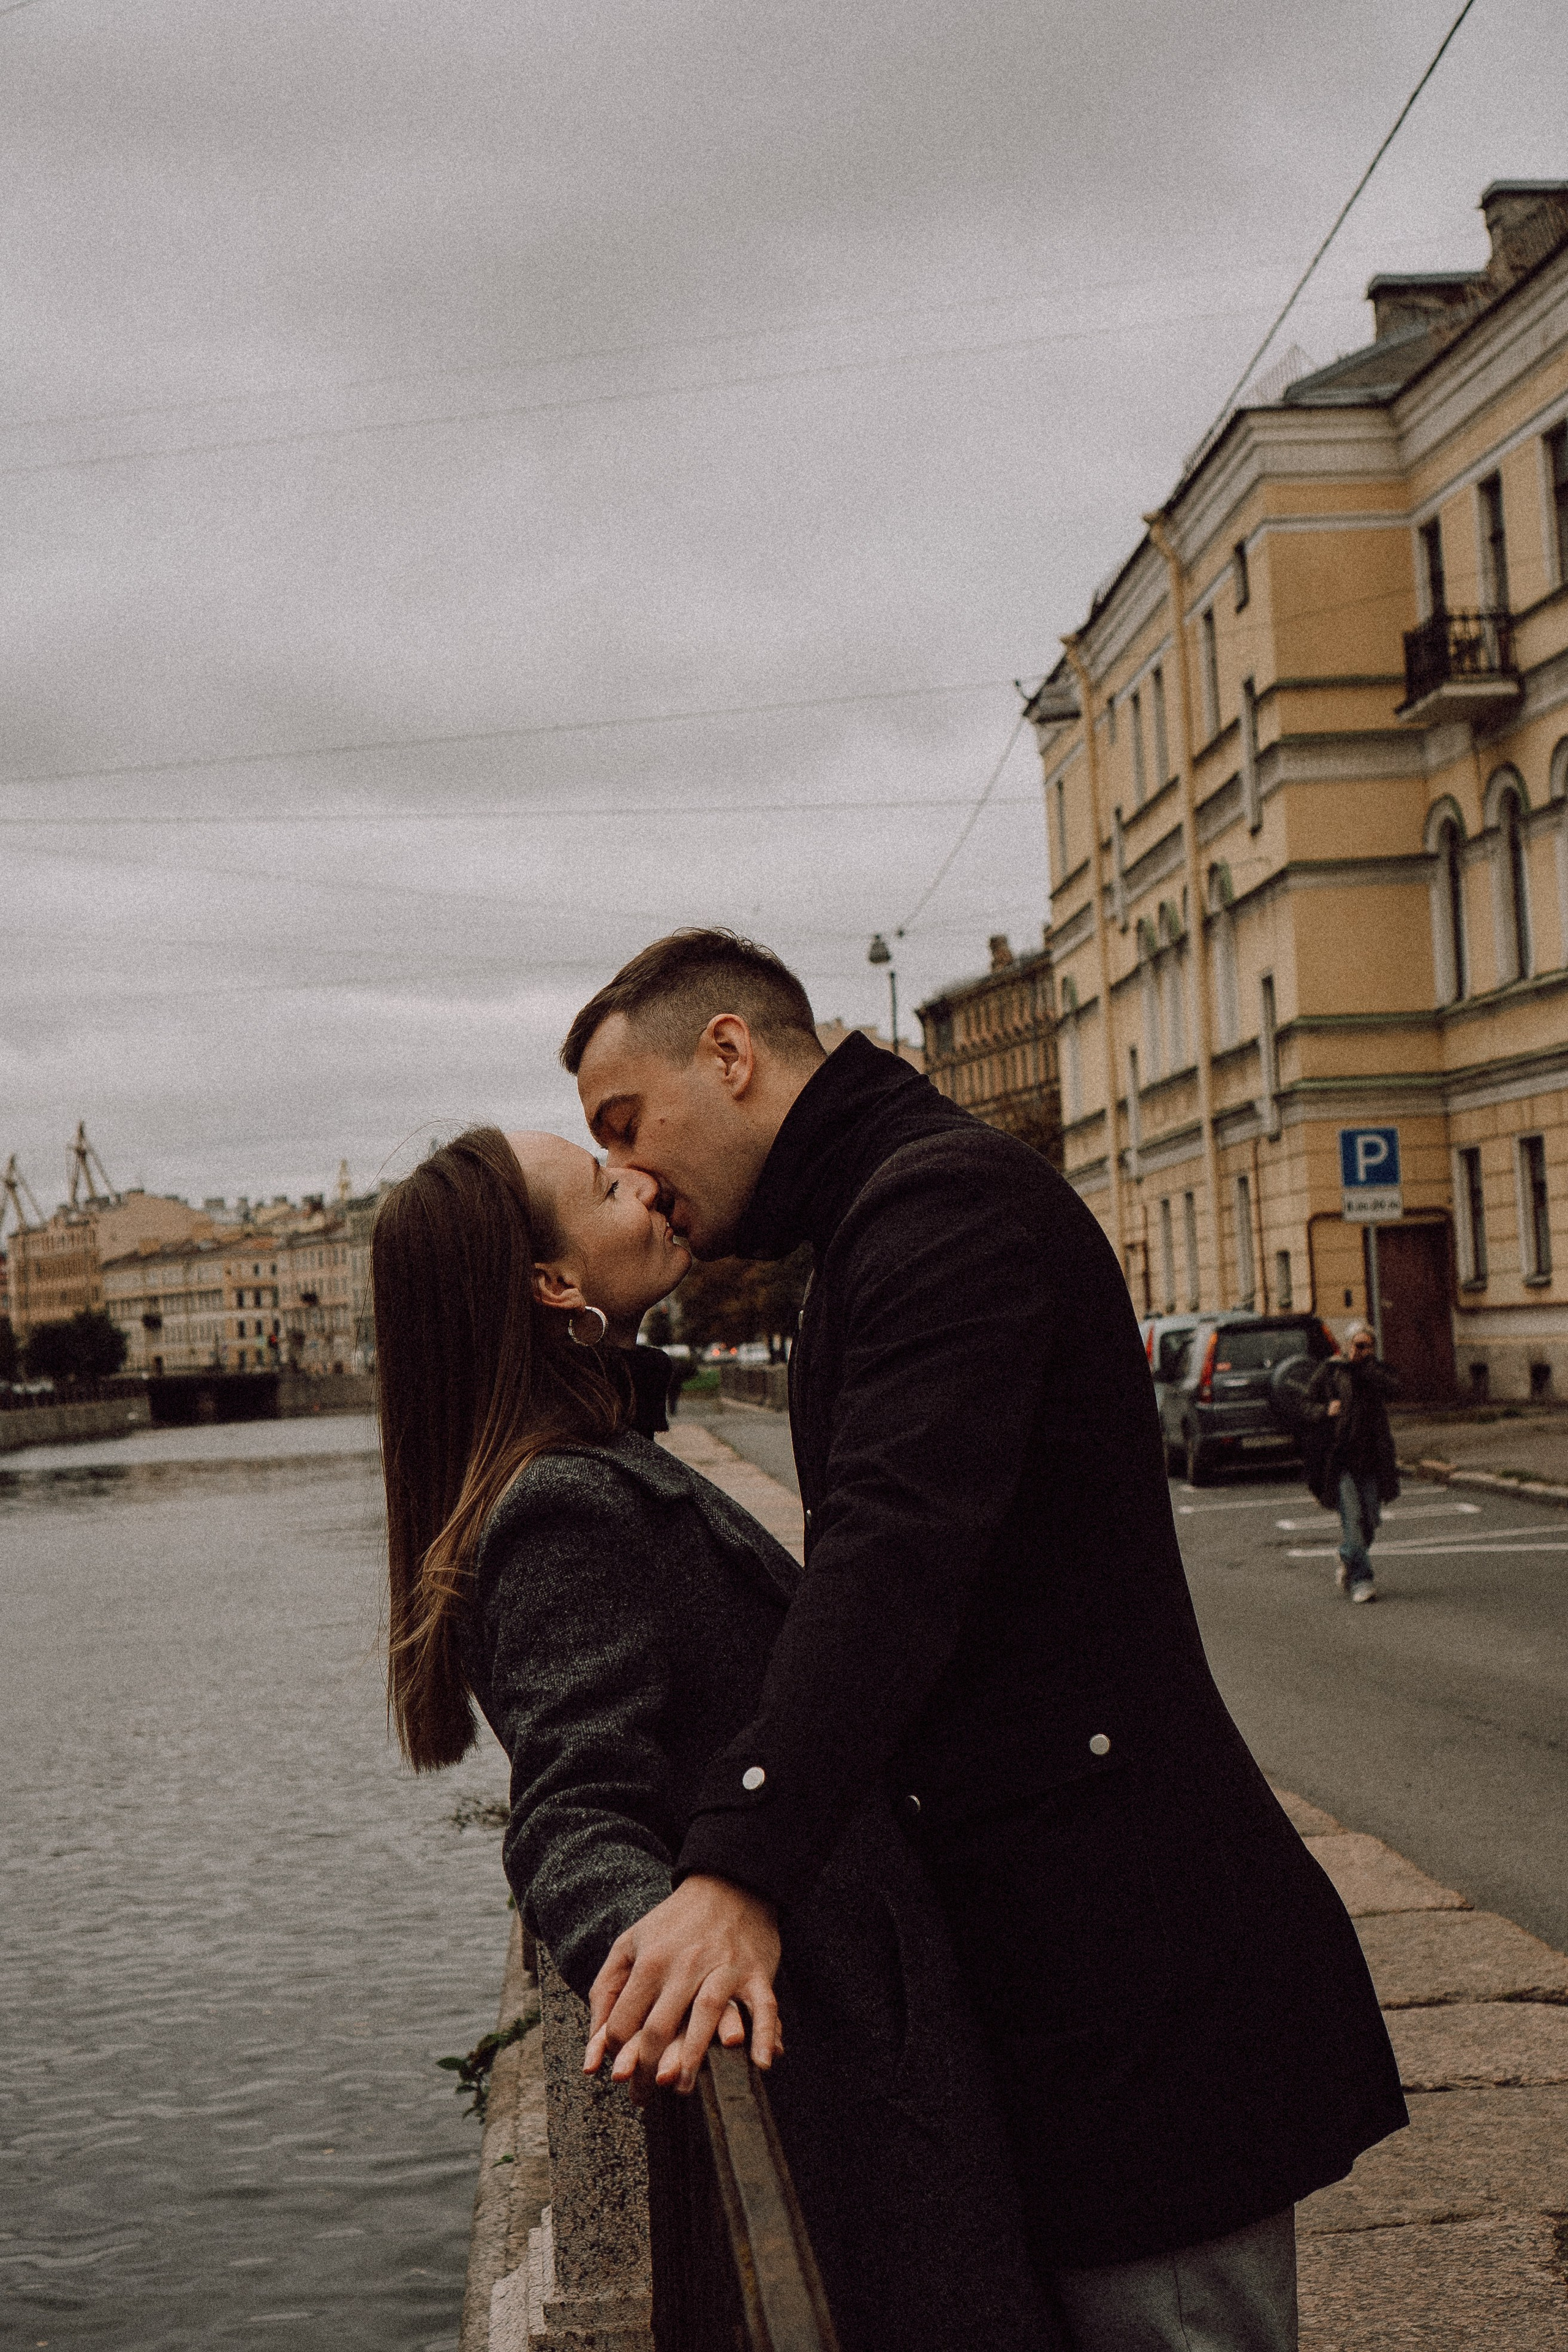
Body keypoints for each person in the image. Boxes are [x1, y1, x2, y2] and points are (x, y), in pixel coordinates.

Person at [559, 929, 1408, 2352]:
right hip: (1081, 1976)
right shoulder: (888, 1207)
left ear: (729, 1051)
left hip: (1137, 1983)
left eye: (625, 1129)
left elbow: (894, 1554)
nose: (634, 1181)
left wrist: (736, 1864)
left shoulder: (938, 1205)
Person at [371, 1124, 1054, 2352]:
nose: (641, 1186)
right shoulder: (561, 1505)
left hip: (854, 2037)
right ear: (551, 1285)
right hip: (838, 2066)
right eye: (603, 1184)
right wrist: (660, 1952)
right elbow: (570, 1812)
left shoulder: (596, 1458)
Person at [1305, 1322, 1399, 1603]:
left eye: (1367, 1346)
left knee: (1370, 1519)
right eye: (1357, 1345)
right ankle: (1361, 1580)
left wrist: (1367, 1365)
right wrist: (1325, 1410)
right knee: (1354, 1521)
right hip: (1341, 1460)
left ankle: (1347, 1555)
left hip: (1372, 1461)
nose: (1362, 1351)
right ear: (1347, 1345)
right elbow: (1304, 1404)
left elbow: (1394, 1389)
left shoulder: (1376, 1373)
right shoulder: (1331, 1372)